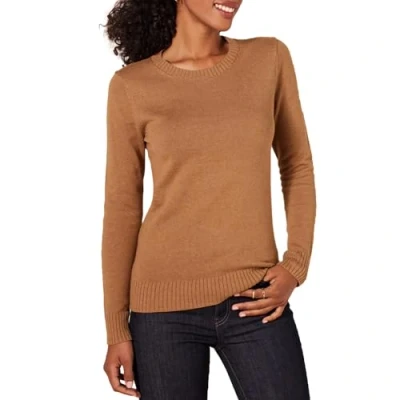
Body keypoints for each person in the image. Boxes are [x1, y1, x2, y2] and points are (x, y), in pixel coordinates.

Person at [100, 0, 316, 399]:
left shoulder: (268, 58)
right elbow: (122, 208)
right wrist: (117, 329)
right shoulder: (132, 85)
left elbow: (296, 164)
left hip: (256, 297)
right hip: (161, 311)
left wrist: (295, 265)